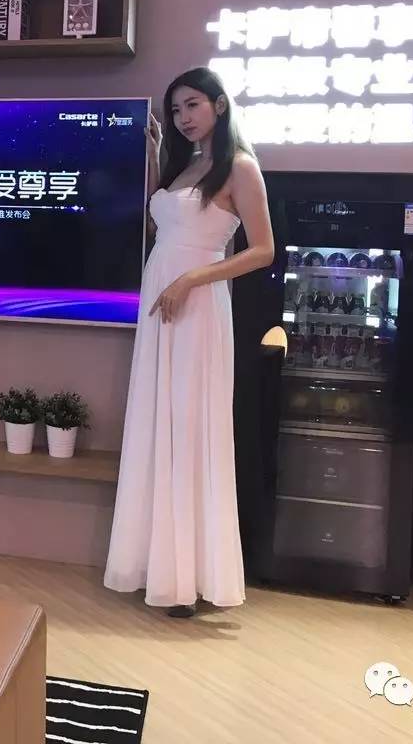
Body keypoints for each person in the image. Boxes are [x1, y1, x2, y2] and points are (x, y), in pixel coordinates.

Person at [104, 67, 274, 617]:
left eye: (193, 105)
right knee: (159, 421)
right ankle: (159, 566)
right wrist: (156, 160)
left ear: (219, 105)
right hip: (161, 302)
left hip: (197, 307)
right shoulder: (185, 167)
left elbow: (264, 250)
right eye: (176, 109)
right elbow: (170, 229)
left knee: (189, 425)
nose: (183, 117)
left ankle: (189, 578)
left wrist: (191, 280)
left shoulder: (239, 166)